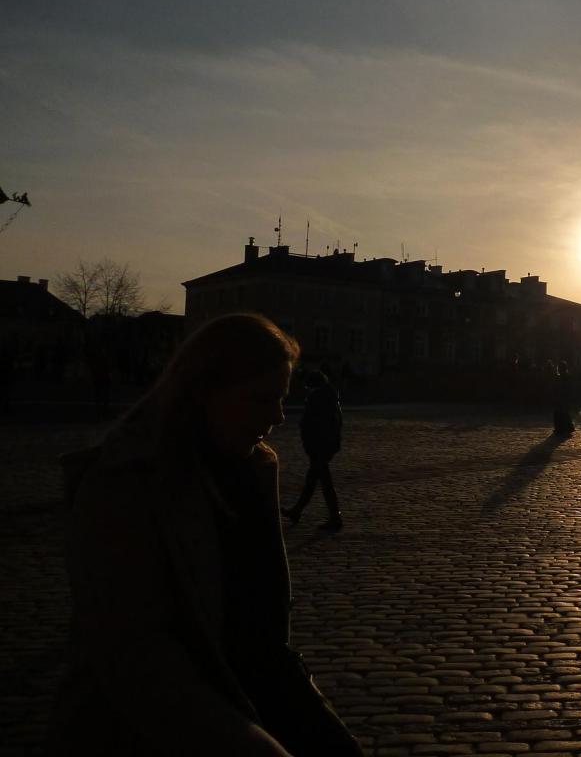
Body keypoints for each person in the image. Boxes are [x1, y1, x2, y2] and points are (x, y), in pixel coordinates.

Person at [48, 313, 364, 756]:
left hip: (248, 699)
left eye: (281, 399)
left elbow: (263, 638)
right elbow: (137, 658)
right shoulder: (122, 484)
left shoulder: (253, 468)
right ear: (203, 391)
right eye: (261, 399)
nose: (278, 416)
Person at [283, 369, 346, 530]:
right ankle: (297, 510)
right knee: (313, 480)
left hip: (319, 446)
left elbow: (313, 423)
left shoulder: (318, 398)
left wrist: (311, 443)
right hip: (325, 445)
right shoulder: (331, 397)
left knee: (324, 482)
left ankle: (335, 517)